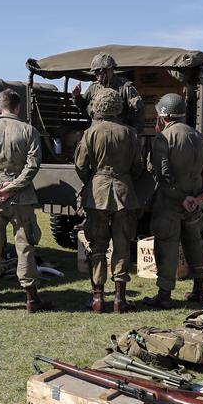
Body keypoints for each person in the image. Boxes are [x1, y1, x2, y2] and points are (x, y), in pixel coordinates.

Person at [0, 89, 51, 313]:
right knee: (24, 246)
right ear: (17, 107)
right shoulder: (29, 131)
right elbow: (33, 166)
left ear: (0, 107)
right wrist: (11, 187)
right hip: (21, 197)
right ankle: (31, 299)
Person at [74, 88, 142, 313]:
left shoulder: (90, 133)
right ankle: (120, 300)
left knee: (98, 245)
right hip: (124, 192)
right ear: (118, 107)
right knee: (122, 245)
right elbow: (138, 166)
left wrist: (93, 180)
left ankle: (97, 298)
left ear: (97, 107)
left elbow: (81, 166)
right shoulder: (130, 133)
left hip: (97, 193)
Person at [142, 93, 203, 309]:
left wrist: (182, 198)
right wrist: (200, 196)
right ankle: (199, 291)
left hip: (170, 202)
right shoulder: (198, 136)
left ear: (164, 115)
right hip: (194, 202)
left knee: (167, 245)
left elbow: (163, 175)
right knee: (195, 243)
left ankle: (164, 295)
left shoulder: (164, 138)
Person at [72, 53, 144, 130]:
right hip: (97, 130)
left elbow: (137, 111)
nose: (95, 74)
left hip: (118, 131)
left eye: (98, 71)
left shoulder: (125, 88)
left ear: (109, 70)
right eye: (95, 71)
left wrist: (131, 132)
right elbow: (83, 106)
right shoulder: (93, 87)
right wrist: (76, 96)